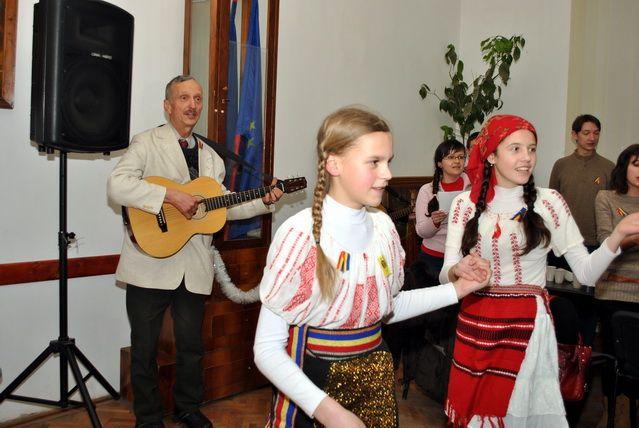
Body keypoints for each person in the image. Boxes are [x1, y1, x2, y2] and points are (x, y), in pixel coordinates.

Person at [253, 106, 490, 428]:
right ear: (334, 163)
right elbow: (267, 348)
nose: (388, 174)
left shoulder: (383, 229)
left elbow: (389, 306)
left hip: (374, 377)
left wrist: (458, 289)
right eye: (374, 162)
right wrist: (328, 411)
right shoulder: (300, 235)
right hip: (314, 384)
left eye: (388, 161)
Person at [439, 114, 639, 427]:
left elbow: (586, 273)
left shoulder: (549, 202)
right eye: (515, 149)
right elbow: (446, 274)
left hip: (528, 328)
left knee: (520, 414)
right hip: (477, 325)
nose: (527, 158)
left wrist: (616, 237)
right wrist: (458, 270)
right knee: (477, 417)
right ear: (491, 155)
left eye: (531, 149)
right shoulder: (464, 204)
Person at [107, 75, 282, 428]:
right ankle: (148, 419)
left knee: (191, 347)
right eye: (184, 98)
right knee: (145, 348)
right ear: (167, 105)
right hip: (149, 263)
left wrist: (264, 201)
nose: (192, 105)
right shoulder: (146, 142)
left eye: (198, 98)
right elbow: (117, 185)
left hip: (194, 268)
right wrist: (170, 196)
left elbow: (223, 207)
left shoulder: (212, 156)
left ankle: (187, 407)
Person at [595, 144, 639, 352]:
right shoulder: (606, 198)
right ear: (624, 166)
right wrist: (635, 238)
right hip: (614, 290)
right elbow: (606, 244)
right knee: (614, 356)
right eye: (636, 164)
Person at [415, 139, 470, 286]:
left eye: (460, 157)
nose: (457, 161)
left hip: (465, 256)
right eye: (451, 157)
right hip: (433, 259)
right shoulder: (427, 190)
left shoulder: (473, 187)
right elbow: (421, 231)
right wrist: (434, 222)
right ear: (439, 163)